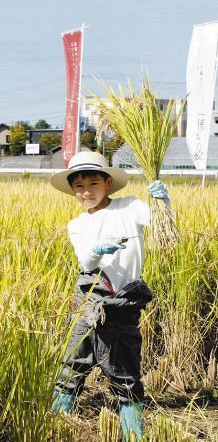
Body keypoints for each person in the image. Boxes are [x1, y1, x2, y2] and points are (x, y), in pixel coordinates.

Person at [49, 150, 170, 441]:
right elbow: (85, 263)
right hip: (88, 299)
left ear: (107, 182)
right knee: (71, 366)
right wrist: (98, 249)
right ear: (72, 190)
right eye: (79, 186)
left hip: (122, 303)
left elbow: (163, 226)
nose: (86, 191)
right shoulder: (77, 225)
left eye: (93, 183)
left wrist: (164, 201)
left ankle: (134, 434)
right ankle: (55, 427)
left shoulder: (130, 207)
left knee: (124, 373)